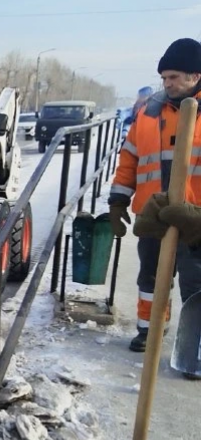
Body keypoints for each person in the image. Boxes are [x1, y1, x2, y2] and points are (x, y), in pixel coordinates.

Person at [109, 38, 201, 357]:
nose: (167, 83)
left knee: (196, 285)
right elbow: (130, 158)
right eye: (164, 78)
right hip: (154, 215)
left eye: (173, 77)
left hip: (195, 220)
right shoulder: (148, 113)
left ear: (195, 76)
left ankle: (194, 348)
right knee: (151, 277)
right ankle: (149, 330)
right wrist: (118, 200)